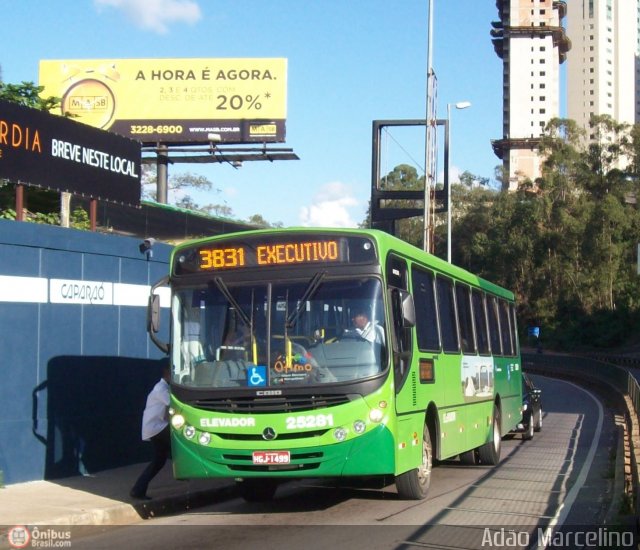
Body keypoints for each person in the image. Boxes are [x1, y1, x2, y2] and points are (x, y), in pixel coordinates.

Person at [130, 363, 171, 500]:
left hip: (157, 427)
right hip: (156, 428)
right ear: (166, 372)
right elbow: (174, 404)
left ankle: (138, 490)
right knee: (180, 437)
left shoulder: (164, 387)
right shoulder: (161, 389)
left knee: (159, 461)